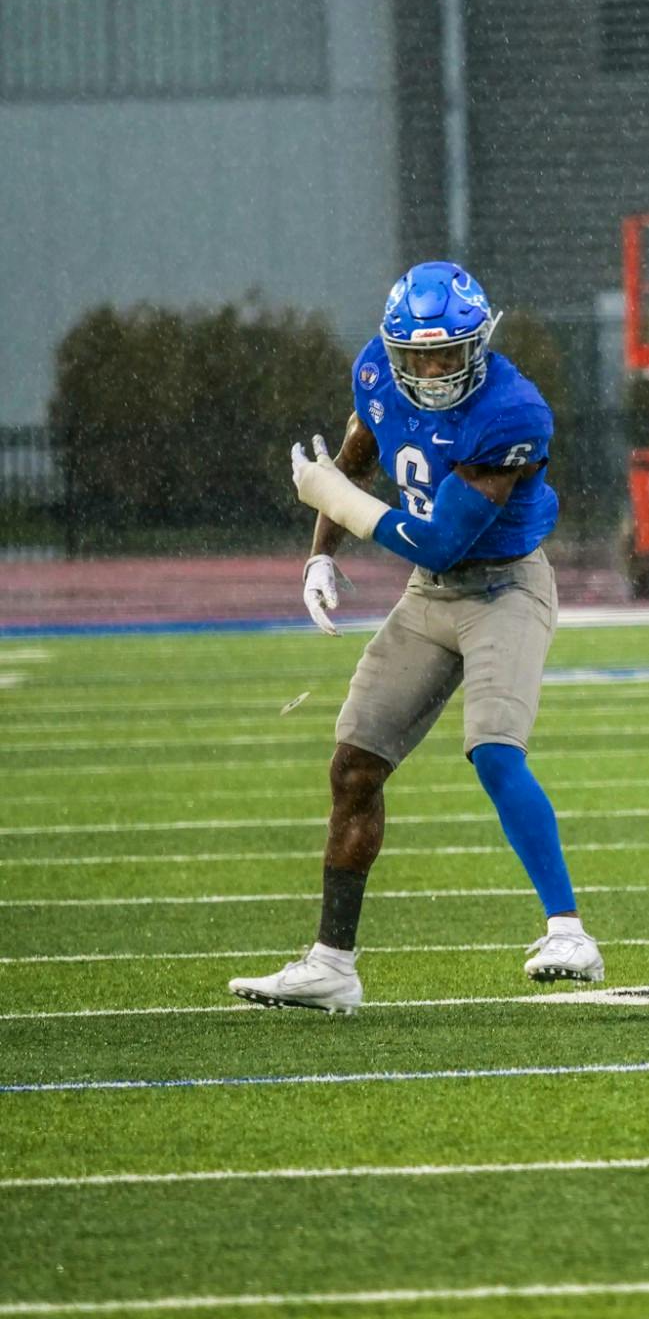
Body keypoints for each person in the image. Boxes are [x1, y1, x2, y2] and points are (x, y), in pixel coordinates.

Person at [228, 262, 597, 1013]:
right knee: (353, 768)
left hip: (503, 586)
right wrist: (320, 553)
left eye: (448, 353)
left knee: (494, 752)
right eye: (418, 356)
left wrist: (336, 500)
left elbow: (441, 544)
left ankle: (568, 932)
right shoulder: (375, 369)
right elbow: (359, 454)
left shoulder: (511, 412)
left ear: (479, 344)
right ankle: (332, 964)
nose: (431, 371)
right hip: (431, 599)